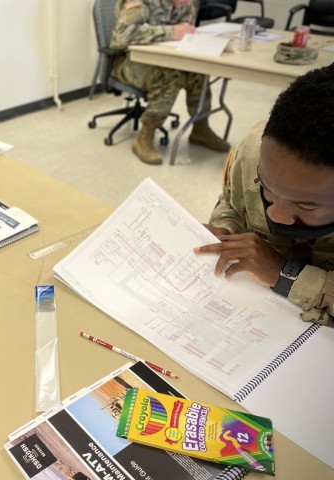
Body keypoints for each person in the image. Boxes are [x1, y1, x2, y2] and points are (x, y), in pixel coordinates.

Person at [195, 64, 334, 327]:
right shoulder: (255, 148)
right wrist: (225, 229)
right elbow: (232, 202)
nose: (275, 214)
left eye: (306, 205)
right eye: (267, 187)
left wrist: (286, 275)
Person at [109, 0, 230, 165]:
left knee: (198, 72)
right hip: (128, 62)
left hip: (166, 58)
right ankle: (145, 136)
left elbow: (186, 30)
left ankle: (200, 127)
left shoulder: (188, 3)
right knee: (170, 75)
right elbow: (122, 36)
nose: (188, 3)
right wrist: (171, 32)